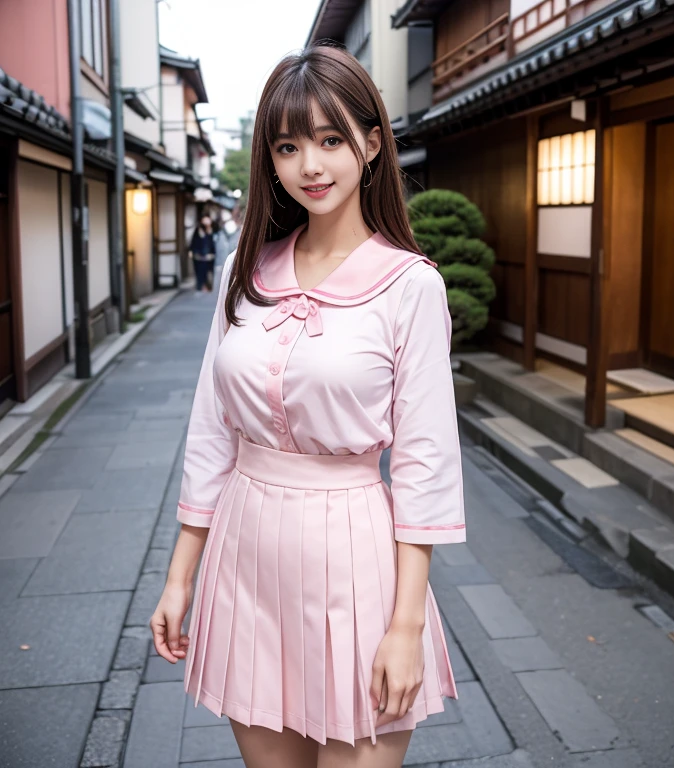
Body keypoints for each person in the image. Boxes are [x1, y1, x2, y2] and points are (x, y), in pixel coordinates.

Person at [150, 43, 466, 768]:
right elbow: (210, 431)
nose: (311, 166)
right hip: (246, 554)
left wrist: (405, 625)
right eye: (288, 146)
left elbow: (424, 460)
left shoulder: (410, 286)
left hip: (355, 558)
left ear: (373, 143)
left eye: (330, 140)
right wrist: (179, 579)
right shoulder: (245, 268)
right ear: (270, 158)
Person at [188, 214, 216, 292]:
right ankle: (201, 286)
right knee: (200, 274)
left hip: (209, 257)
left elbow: (212, 245)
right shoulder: (198, 231)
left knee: (208, 273)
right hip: (199, 257)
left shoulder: (211, 231)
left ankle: (207, 286)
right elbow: (194, 244)